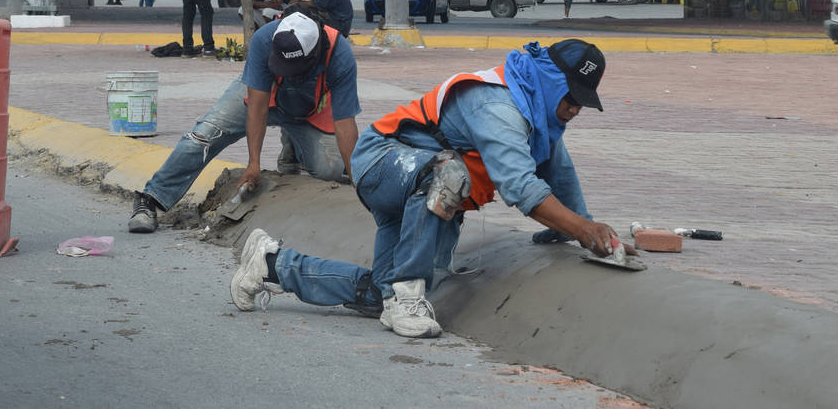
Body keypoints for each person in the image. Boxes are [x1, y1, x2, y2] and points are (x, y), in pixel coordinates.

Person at [227, 38, 633, 340]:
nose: (576, 109)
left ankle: (273, 264)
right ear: (548, 80)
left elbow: (559, 176)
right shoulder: (497, 105)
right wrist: (582, 229)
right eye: (572, 97)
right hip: (383, 164)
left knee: (378, 294)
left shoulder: (540, 119)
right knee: (450, 175)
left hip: (422, 191)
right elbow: (521, 187)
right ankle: (407, 293)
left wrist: (591, 235)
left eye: (583, 101)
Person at [128, 12, 359, 234]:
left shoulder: (339, 54)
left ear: (315, 53)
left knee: (330, 168)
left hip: (306, 108)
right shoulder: (265, 39)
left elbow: (345, 124)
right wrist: (253, 163)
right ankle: (152, 197)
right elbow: (257, 108)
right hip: (262, 94)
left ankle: (293, 150)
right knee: (205, 136)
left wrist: (358, 184)